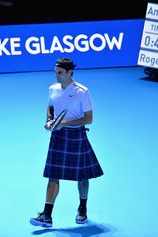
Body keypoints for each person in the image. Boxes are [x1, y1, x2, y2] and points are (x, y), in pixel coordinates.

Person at [30, 57, 104, 228]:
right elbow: (50, 107)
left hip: (76, 136)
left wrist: (64, 123)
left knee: (83, 175)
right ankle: (47, 215)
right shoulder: (53, 88)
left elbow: (89, 119)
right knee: (53, 175)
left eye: (60, 73)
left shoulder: (82, 91)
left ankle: (82, 208)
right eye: (55, 72)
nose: (57, 76)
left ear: (70, 72)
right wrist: (50, 120)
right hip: (58, 136)